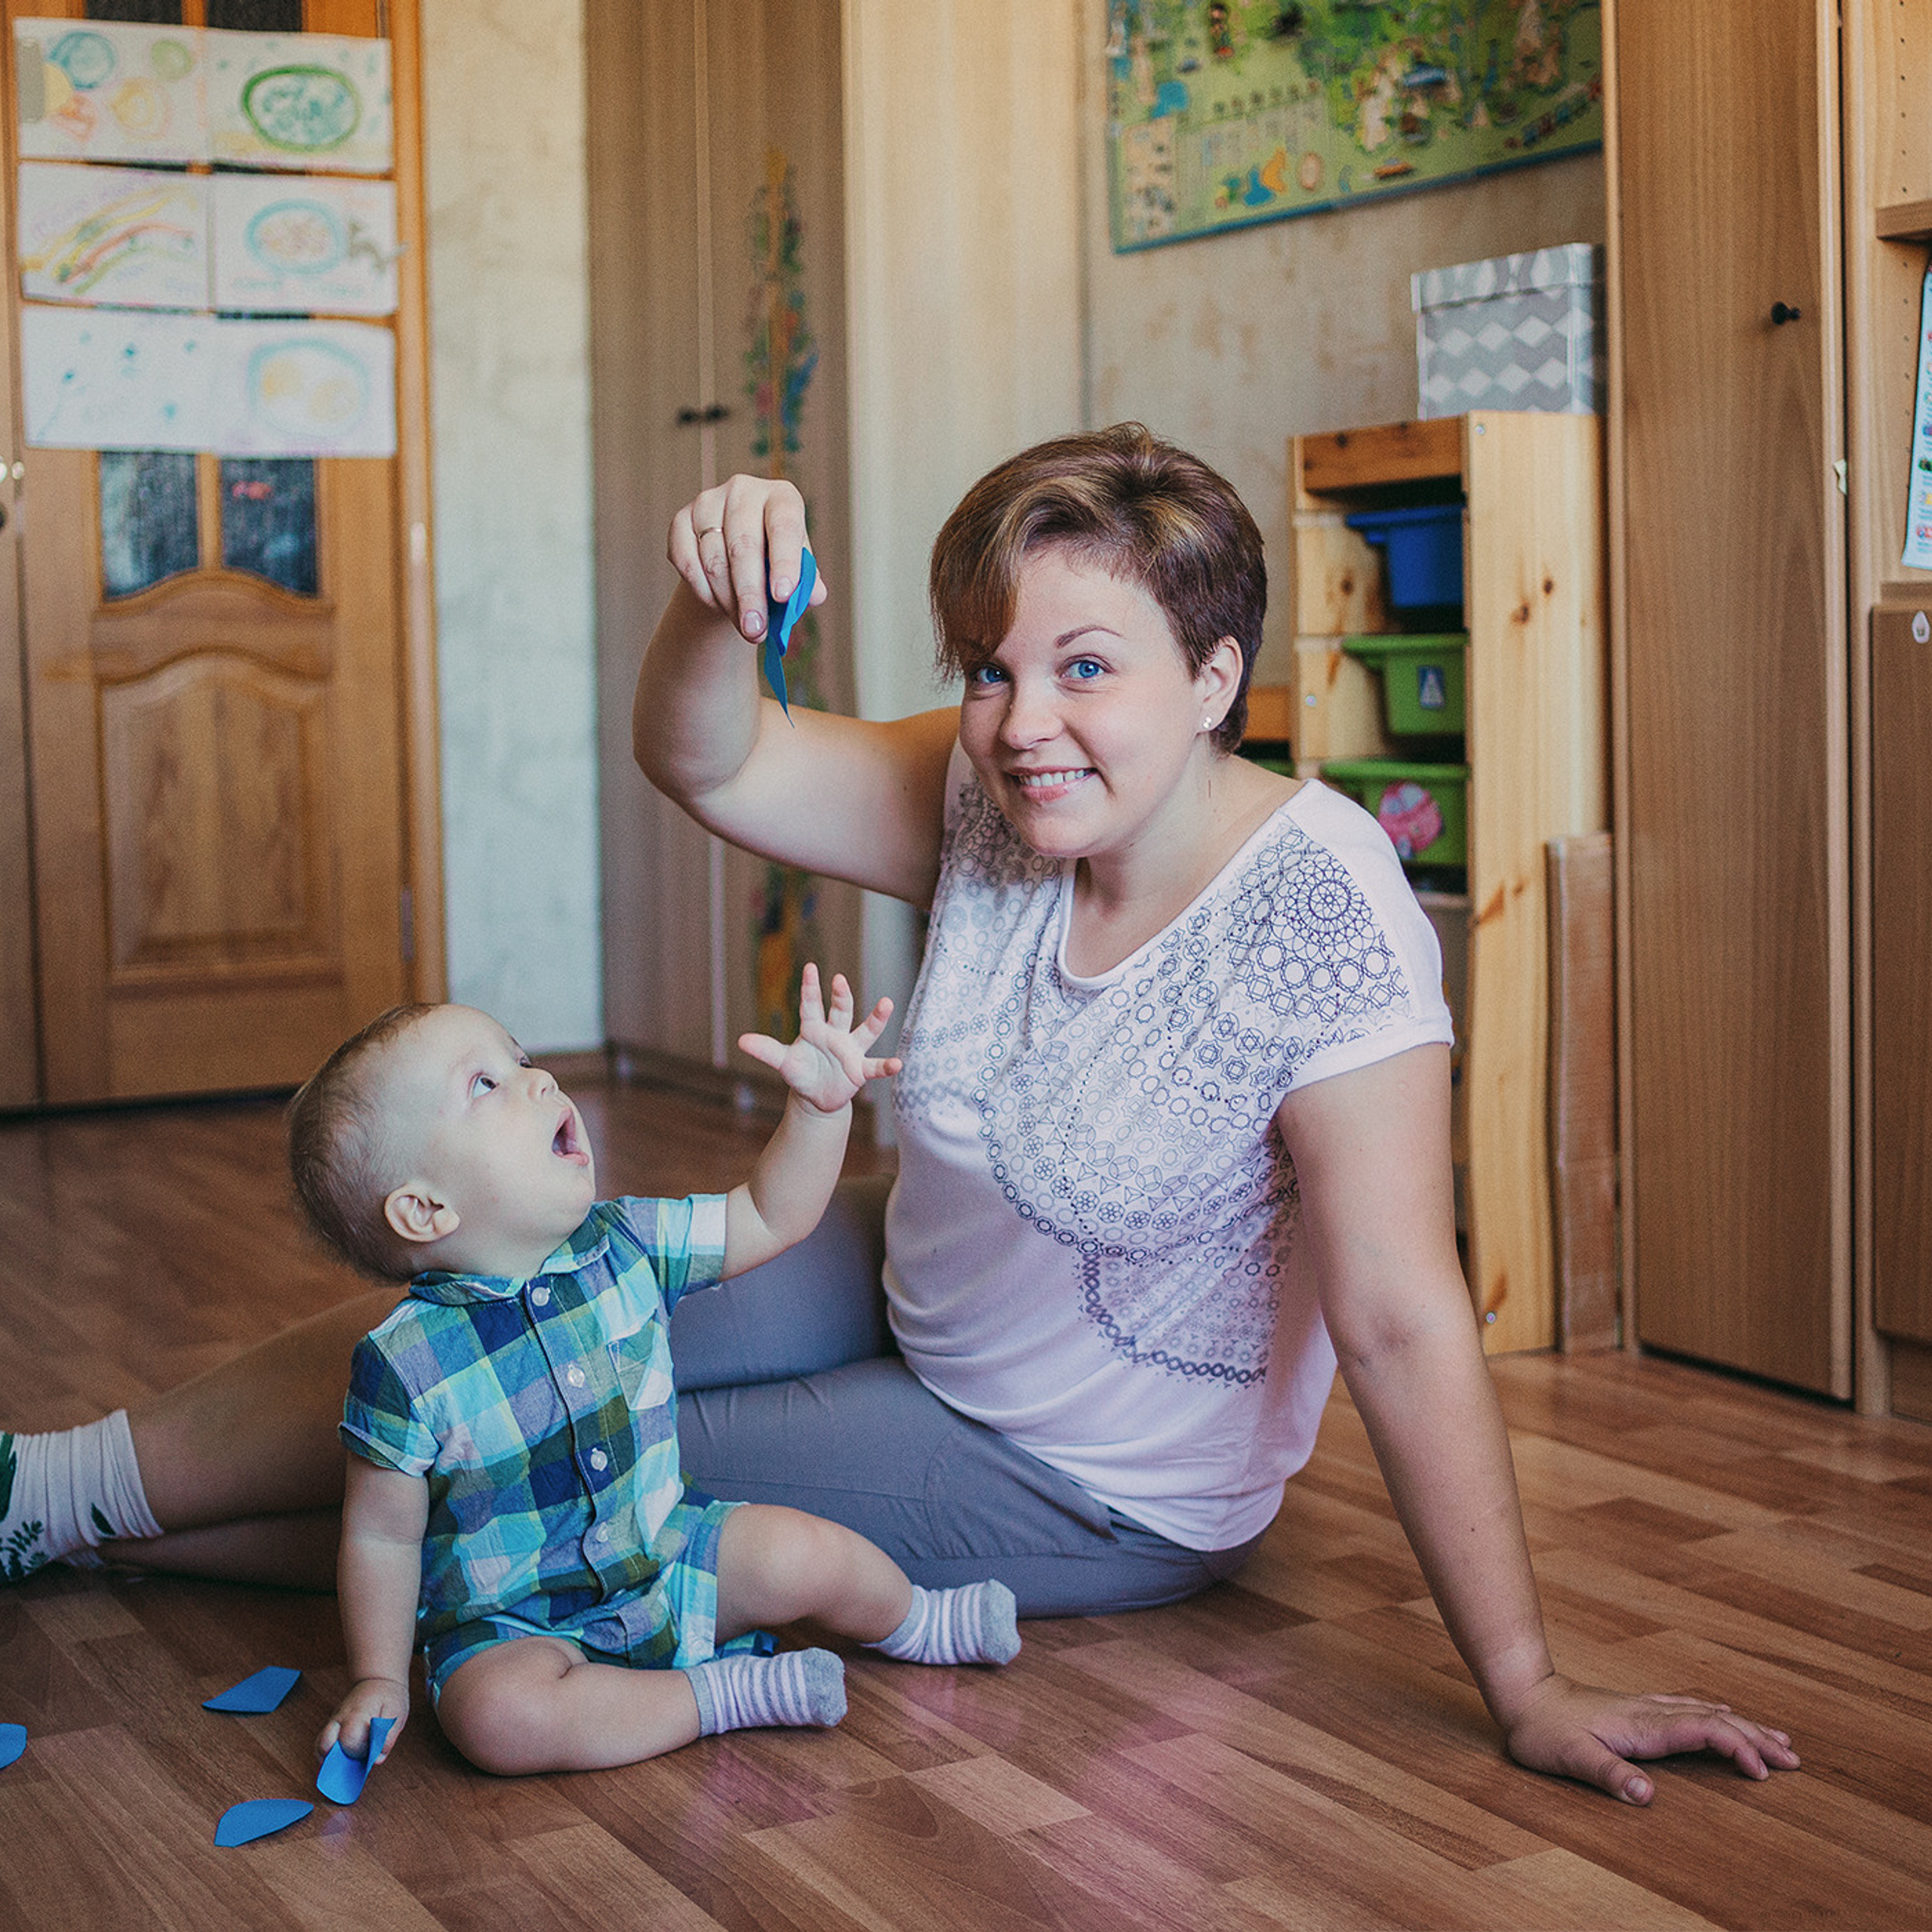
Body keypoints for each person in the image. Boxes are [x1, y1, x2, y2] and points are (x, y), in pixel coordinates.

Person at [2, 425, 1795, 1806]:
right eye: (989, 668)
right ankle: (52, 1487)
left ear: (1215, 675)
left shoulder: (1320, 911)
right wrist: (713, 602)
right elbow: (705, 755)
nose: (1022, 725)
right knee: (505, 1299)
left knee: (570, 1485)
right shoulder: (991, 790)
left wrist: (1524, 1678)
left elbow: (1399, 1310)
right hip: (897, 1261)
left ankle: (97, 1529)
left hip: (1084, 1474)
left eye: (1086, 665)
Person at [294, 976, 1018, 1780]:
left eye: (521, 1057)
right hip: (520, 1628)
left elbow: (770, 1215)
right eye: (485, 1084)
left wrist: (818, 1111)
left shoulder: (626, 1242)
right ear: (425, 1211)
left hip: (667, 1554)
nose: (539, 1078)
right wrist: (379, 1677)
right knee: (493, 1718)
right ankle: (724, 1697)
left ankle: (917, 1622)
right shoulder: (403, 1364)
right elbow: (381, 1536)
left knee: (802, 1553)